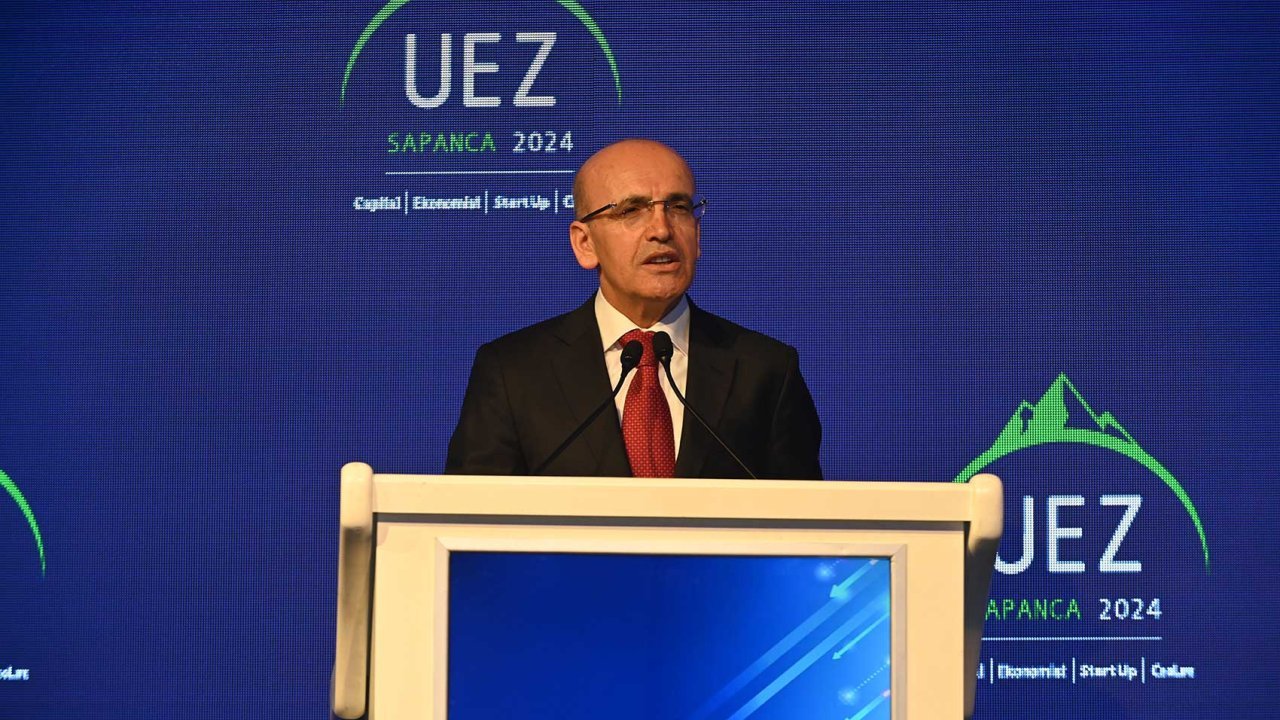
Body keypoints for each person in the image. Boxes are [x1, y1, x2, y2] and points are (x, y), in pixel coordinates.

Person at [445, 139, 822, 479]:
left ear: (697, 235)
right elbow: (472, 518)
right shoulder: (513, 373)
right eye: (631, 210)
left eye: (678, 207)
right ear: (585, 244)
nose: (662, 230)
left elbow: (804, 522)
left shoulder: (766, 371)